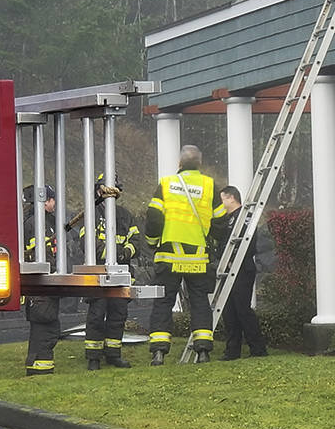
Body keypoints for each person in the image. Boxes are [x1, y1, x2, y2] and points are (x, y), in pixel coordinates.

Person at [143, 145, 227, 365]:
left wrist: (152, 243)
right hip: (198, 259)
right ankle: (203, 351)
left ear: (179, 164)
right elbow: (220, 220)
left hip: (169, 256)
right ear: (199, 164)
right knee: (200, 302)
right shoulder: (209, 185)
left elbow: (153, 217)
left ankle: (159, 352)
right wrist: (212, 243)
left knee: (163, 302)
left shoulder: (167, 184)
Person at [78, 175, 140, 371]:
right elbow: (85, 242)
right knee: (96, 315)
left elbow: (136, 240)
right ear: (98, 190)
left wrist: (125, 252)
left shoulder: (125, 215)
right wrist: (109, 254)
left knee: (118, 315)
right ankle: (93, 357)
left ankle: (114, 354)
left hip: (121, 275)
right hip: (97, 274)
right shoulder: (91, 214)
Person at [216, 186, 268, 360]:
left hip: (242, 268)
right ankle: (232, 350)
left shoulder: (245, 217)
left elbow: (249, 243)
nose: (221, 204)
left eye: (223, 199)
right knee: (228, 310)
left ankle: (258, 348)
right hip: (227, 269)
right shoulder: (227, 219)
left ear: (231, 198)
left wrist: (234, 258)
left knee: (242, 309)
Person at [22, 184, 61, 376]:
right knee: (46, 324)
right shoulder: (36, 224)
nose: (54, 203)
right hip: (41, 284)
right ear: (46, 201)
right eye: (52, 199)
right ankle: (39, 367)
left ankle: (39, 365)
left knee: (45, 324)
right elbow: (41, 253)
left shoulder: (41, 221)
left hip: (42, 285)